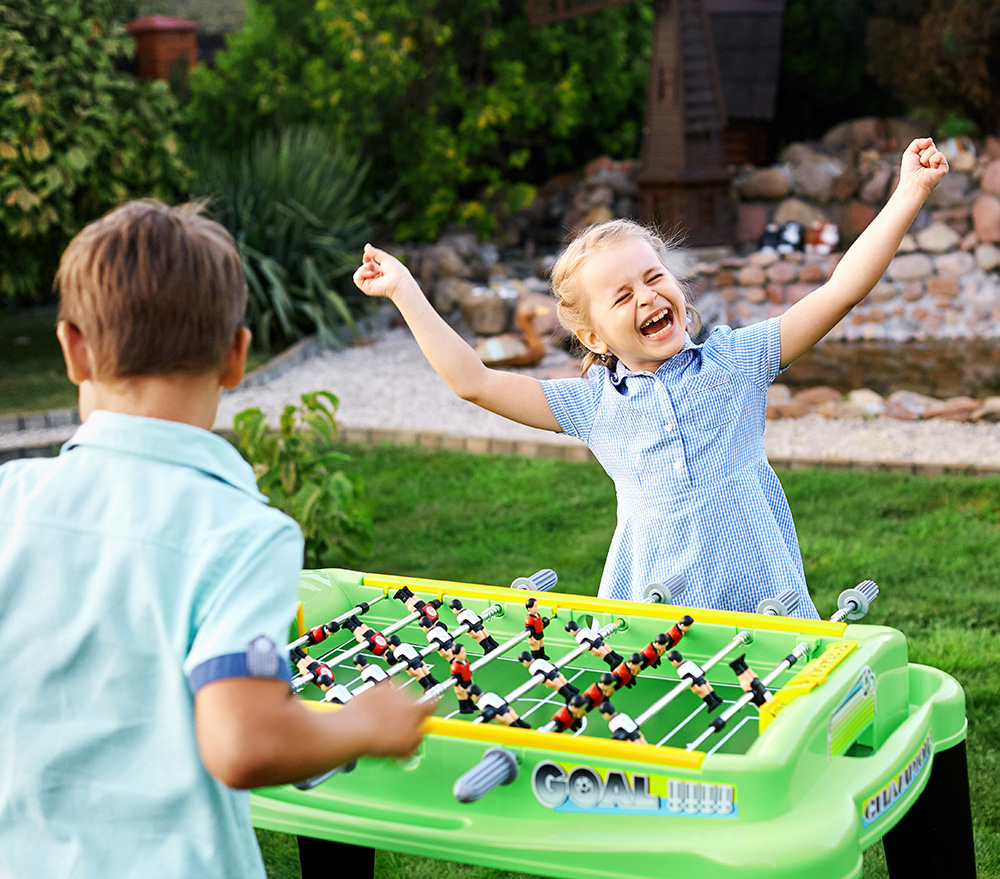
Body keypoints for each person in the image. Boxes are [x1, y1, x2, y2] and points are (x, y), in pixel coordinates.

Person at [0, 200, 434, 879]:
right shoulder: (244, 534)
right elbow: (245, 739)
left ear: (72, 349)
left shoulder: (8, 501)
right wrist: (364, 724)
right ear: (237, 357)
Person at [354, 139, 949, 618]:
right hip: (652, 618)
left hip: (765, 607)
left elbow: (841, 288)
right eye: (621, 295)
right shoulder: (592, 406)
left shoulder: (739, 362)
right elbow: (474, 382)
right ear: (593, 337)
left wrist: (909, 193)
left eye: (653, 276)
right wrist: (405, 290)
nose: (647, 296)